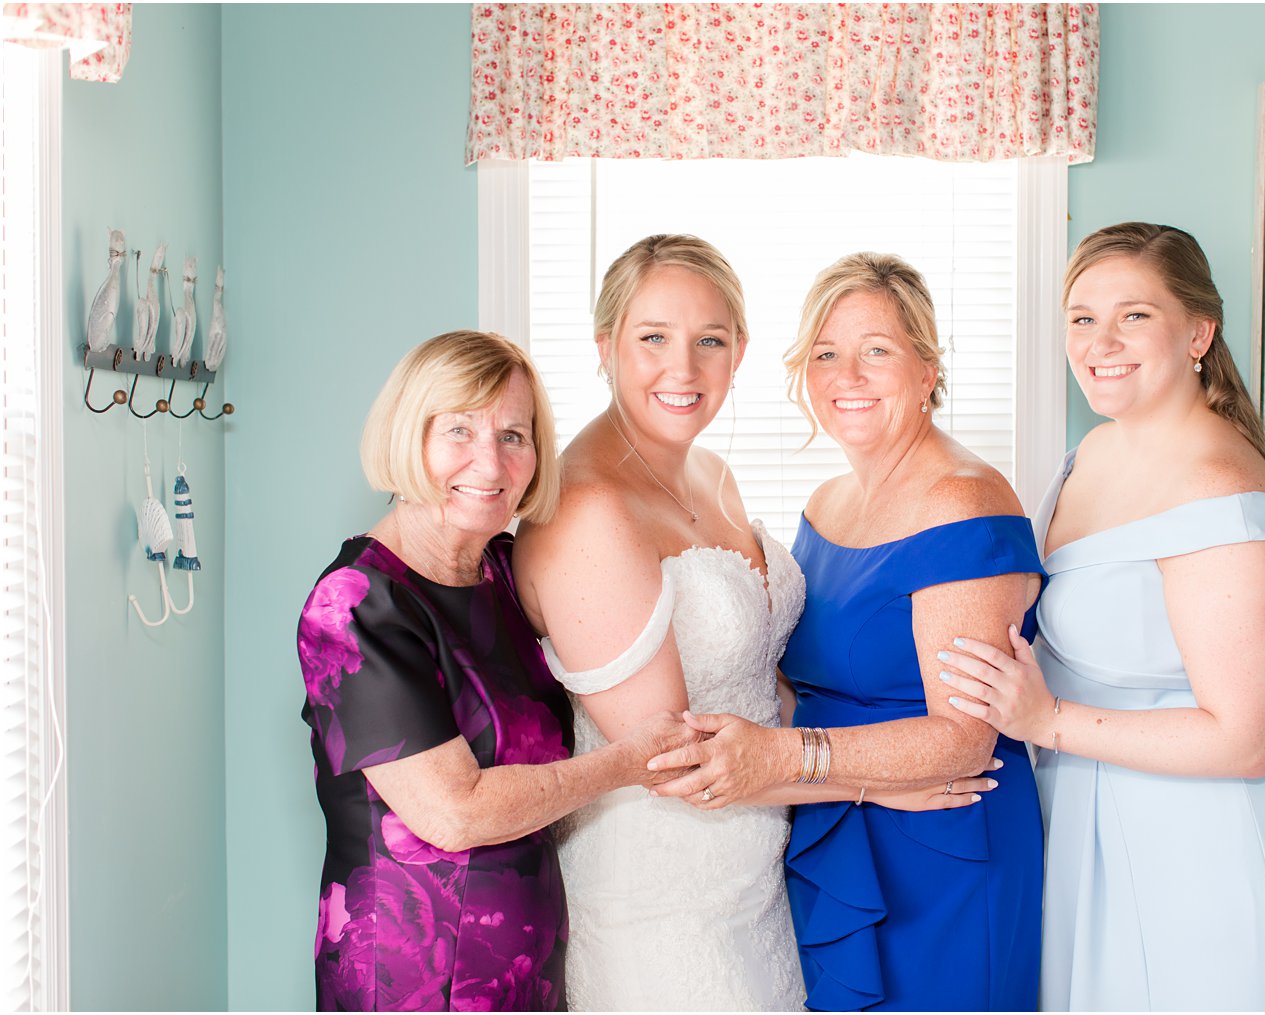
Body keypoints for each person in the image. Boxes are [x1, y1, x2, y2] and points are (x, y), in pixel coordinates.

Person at [938, 222, 1265, 1011]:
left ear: (1198, 331)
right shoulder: (1092, 451)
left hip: (1207, 850)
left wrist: (1046, 719)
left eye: (1134, 316)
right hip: (1097, 828)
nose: (1100, 341)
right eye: (1082, 317)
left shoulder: (1221, 487)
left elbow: (1243, 737)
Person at [646, 252, 1047, 1011]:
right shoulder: (827, 502)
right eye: (826, 354)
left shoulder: (963, 500)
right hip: (841, 819)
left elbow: (965, 737)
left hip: (944, 841)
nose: (846, 376)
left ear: (928, 370)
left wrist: (777, 758)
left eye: (876, 352)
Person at [296, 331, 694, 1012]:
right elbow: (455, 811)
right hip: (413, 977)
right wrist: (625, 763)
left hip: (524, 964)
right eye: (460, 430)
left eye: (515, 434)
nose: (491, 460)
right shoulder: (357, 605)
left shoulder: (507, 570)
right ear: (407, 438)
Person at [511, 234, 813, 1010]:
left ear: (739, 351)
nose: (683, 369)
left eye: (709, 340)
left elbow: (758, 672)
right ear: (605, 345)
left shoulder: (711, 471)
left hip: (755, 875)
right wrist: (873, 778)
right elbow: (670, 756)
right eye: (653, 339)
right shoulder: (587, 506)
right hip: (662, 898)